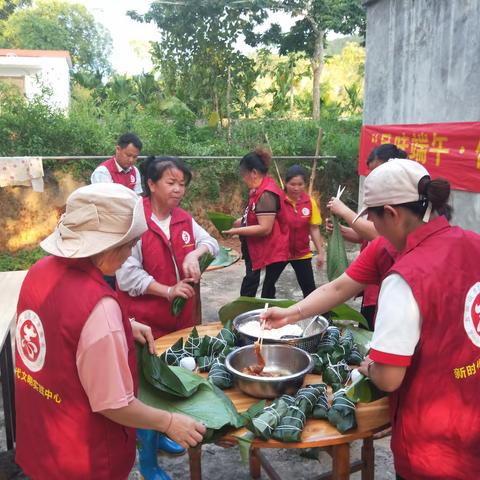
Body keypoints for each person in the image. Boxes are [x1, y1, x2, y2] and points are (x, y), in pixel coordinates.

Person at [264, 159, 480, 479]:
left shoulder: (405, 277)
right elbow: (341, 286)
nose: (373, 228)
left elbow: (389, 378)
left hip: (431, 445)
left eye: (374, 219)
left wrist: (370, 367)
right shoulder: (472, 243)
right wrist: (292, 313)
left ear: (391, 214)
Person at [15, 183, 206, 480]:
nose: (130, 253)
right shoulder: (98, 308)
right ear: (107, 247)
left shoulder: (39, 271)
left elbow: (59, 325)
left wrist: (123, 325)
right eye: (129, 245)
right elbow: (114, 405)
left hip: (43, 436)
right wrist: (168, 422)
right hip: (84, 457)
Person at [116, 156, 218, 479]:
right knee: (145, 390)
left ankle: (162, 436)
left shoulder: (183, 219)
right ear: (151, 184)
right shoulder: (136, 221)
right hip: (145, 324)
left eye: (182, 184)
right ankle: (147, 463)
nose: (178, 190)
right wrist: (168, 290)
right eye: (171, 183)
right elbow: (127, 276)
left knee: (173, 379)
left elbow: (212, 243)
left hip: (179, 323)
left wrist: (194, 253)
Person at [327, 143, 407, 328]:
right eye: (370, 172)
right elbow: (367, 235)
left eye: (377, 171)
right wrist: (341, 230)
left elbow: (380, 235)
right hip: (371, 285)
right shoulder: (381, 197)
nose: (372, 177)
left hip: (386, 288)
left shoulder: (400, 201)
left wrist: (345, 211)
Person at [223, 147, 289, 299]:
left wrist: (236, 232)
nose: (243, 179)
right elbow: (253, 217)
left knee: (261, 291)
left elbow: (265, 228)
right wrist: (234, 223)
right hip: (257, 249)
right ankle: (247, 315)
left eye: (243, 174)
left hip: (269, 251)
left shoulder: (266, 194)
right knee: (252, 285)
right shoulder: (257, 191)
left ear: (253, 173)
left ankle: (253, 317)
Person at [266, 164, 326, 298]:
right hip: (279, 253)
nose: (296, 188)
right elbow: (265, 223)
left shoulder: (309, 202)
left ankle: (322, 318)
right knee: (268, 287)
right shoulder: (276, 200)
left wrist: (321, 252)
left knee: (309, 288)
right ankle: (266, 315)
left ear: (304, 184)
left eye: (300, 184)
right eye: (292, 184)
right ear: (286, 183)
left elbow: (314, 228)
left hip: (301, 253)